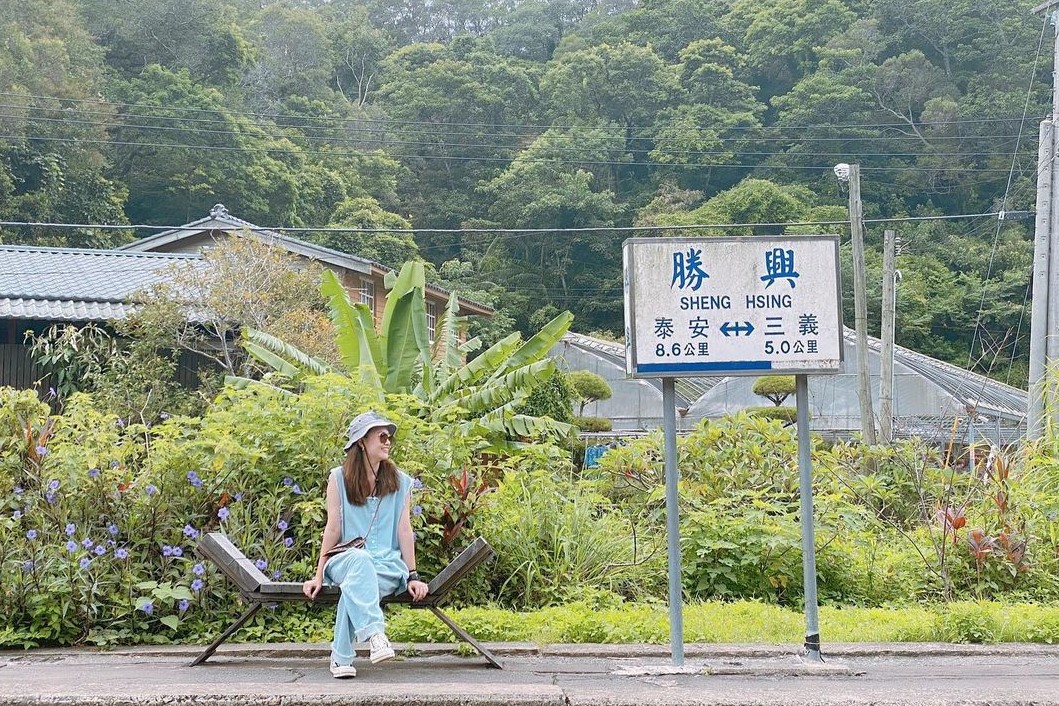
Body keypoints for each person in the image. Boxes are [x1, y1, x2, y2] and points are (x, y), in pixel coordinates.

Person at [302, 410, 429, 678]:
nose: (387, 442)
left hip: (386, 566)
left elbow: (404, 529)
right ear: (362, 441)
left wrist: (413, 575)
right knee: (359, 562)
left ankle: (340, 658)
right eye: (381, 436)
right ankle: (375, 635)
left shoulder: (401, 482)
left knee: (357, 585)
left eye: (389, 437)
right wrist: (318, 574)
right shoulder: (338, 479)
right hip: (344, 560)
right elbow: (333, 528)